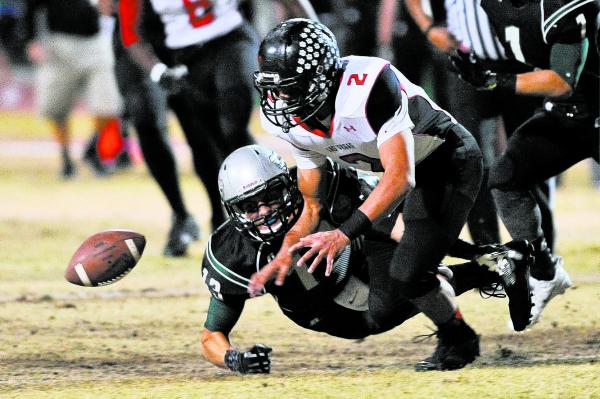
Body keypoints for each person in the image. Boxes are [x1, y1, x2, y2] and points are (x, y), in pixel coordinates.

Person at [247, 19, 533, 371]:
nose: (278, 100)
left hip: (446, 161)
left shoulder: (367, 87)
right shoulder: (289, 122)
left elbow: (401, 177)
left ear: (318, 79)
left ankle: (460, 339)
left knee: (409, 274)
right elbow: (312, 203)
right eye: (274, 89)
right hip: (391, 176)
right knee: (385, 303)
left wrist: (342, 234)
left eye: (289, 88)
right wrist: (284, 253)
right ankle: (501, 264)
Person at [200, 145, 531, 373]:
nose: (264, 212)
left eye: (270, 197)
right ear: (232, 212)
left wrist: (470, 250)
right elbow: (211, 333)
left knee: (388, 302)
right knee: (365, 319)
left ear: (288, 186)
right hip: (321, 307)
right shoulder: (232, 252)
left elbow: (394, 226)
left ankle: (487, 267)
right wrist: (235, 360)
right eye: (249, 206)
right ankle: (489, 268)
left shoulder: (316, 188)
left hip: (363, 247)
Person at [451, 0, 599, 327]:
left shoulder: (562, 6)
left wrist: (495, 82)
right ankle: (546, 272)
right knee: (505, 177)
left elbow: (562, 80)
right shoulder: (494, 6)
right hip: (568, 116)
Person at [118, 0, 318, 235]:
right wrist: (157, 70)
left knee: (233, 130)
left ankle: (276, 200)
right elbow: (131, 35)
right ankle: (226, 217)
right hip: (185, 57)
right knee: (207, 141)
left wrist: (315, 37)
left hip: (231, 39)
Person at [24, 0, 123, 179]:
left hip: (95, 41)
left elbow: (110, 7)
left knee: (108, 106)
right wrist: (31, 40)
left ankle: (92, 150)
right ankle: (66, 159)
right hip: (59, 42)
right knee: (56, 109)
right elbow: (31, 7)